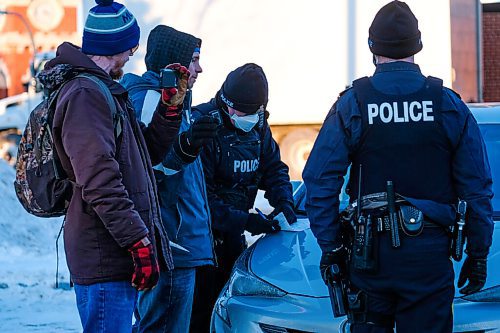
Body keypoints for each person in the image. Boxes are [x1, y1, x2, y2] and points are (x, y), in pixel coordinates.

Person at [303, 1, 494, 332]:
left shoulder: (353, 103)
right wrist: (478, 253)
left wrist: (331, 246)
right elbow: (476, 186)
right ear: (417, 47)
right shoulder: (447, 103)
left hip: (369, 255)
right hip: (428, 255)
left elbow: (320, 181)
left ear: (372, 48)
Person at [39, 1, 185, 332]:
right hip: (105, 255)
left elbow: (144, 157)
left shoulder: (104, 90)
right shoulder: (85, 95)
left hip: (114, 254)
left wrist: (169, 110)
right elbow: (99, 180)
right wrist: (138, 241)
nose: (134, 52)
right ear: (114, 45)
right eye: (130, 46)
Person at [121, 25, 218, 333]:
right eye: (193, 59)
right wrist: (187, 147)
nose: (199, 68)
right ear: (172, 62)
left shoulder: (175, 99)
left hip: (177, 242)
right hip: (171, 243)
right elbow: (148, 169)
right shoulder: (152, 100)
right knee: (162, 326)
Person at [189, 63, 296, 332]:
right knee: (199, 316)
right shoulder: (204, 125)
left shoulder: (258, 125)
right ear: (225, 102)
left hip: (232, 239)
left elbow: (273, 168)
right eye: (237, 110)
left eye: (250, 112)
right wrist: (246, 221)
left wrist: (284, 201)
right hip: (199, 244)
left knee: (231, 314)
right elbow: (201, 199)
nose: (242, 117)